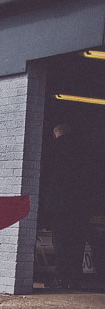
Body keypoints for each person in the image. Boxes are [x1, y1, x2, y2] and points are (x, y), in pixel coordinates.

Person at [41, 123, 97, 289]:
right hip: (81, 205)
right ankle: (75, 279)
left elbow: (47, 178)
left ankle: (60, 278)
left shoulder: (54, 151)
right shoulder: (84, 152)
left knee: (61, 242)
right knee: (77, 242)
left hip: (60, 205)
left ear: (55, 134)